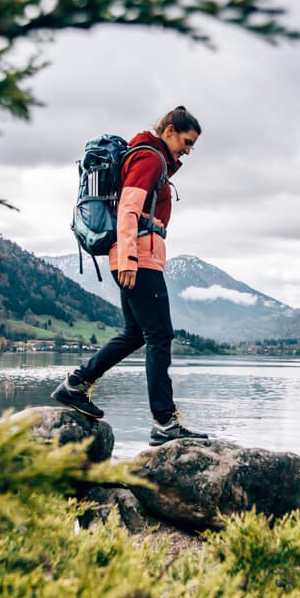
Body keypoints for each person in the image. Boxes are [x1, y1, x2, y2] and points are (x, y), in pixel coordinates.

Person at [52, 106, 209, 445]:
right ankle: (165, 421)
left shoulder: (151, 159)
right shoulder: (150, 159)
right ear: (168, 131)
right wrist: (127, 259)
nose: (189, 149)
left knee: (136, 333)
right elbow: (128, 208)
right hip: (138, 257)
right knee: (159, 335)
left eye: (193, 145)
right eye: (187, 141)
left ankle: (75, 384)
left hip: (135, 255)